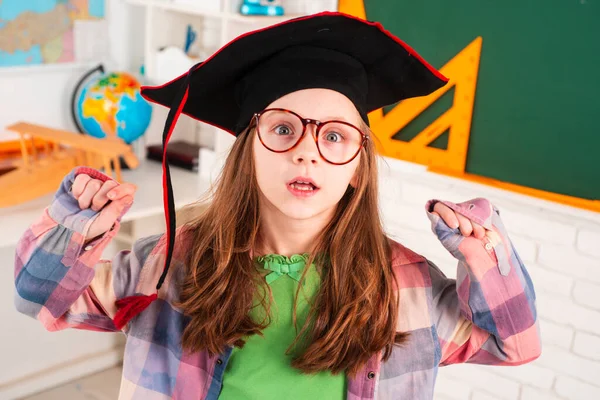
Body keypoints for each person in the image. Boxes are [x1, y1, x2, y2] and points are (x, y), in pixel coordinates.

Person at [13, 12, 541, 400]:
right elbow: (41, 299)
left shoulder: (408, 287)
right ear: (249, 152)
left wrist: (485, 253)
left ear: (358, 166)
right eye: (284, 128)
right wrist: (74, 227)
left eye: (334, 137)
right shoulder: (168, 266)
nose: (308, 150)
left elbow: (514, 344)